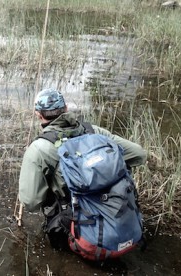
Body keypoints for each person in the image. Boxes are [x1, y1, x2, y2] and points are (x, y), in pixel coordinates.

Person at [18, 88, 147, 248]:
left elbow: (31, 202)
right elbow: (138, 154)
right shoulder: (94, 131)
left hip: (76, 227)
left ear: (38, 114)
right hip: (116, 212)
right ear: (65, 109)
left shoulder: (39, 148)